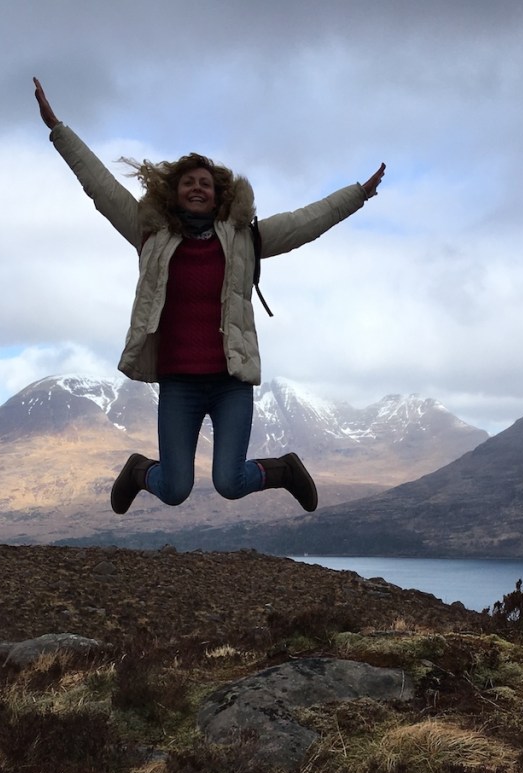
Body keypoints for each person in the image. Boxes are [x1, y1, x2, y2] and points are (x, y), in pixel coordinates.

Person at [33, 78, 385, 515]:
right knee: (176, 487)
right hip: (179, 382)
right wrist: (58, 130)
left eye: (206, 183)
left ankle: (284, 470)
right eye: (188, 183)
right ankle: (140, 470)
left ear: (219, 195)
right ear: (174, 192)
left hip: (228, 382)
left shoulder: (243, 239)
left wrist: (357, 195)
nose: (197, 188)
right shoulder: (150, 234)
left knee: (230, 482)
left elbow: (302, 223)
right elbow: (101, 186)